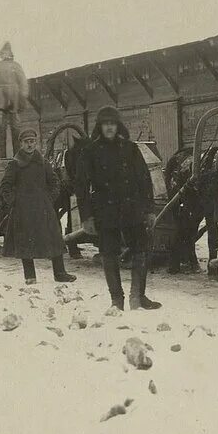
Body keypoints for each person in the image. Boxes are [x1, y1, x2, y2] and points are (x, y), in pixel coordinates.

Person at [74, 105, 160, 311]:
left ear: (118, 125)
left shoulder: (130, 148)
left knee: (141, 250)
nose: (110, 128)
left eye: (113, 123)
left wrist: (149, 209)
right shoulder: (90, 151)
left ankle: (138, 297)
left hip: (132, 208)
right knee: (108, 253)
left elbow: (144, 180)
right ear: (100, 127)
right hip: (105, 210)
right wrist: (86, 217)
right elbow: (82, 186)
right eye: (106, 124)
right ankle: (117, 301)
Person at [0, 129, 77, 285]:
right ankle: (30, 276)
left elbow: (55, 183)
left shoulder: (43, 163)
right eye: (26, 142)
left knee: (54, 238)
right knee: (25, 242)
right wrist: (15, 201)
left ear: (36, 143)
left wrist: (48, 199)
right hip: (23, 210)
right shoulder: (14, 164)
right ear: (21, 144)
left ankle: (60, 273)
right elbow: (5, 186)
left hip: (43, 208)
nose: (29, 145)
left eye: (32, 141)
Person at [0, 42, 29, 158]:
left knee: (16, 127)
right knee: (1, 126)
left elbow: (23, 82)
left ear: (10, 53)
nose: (6, 55)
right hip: (0, 98)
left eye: (8, 52)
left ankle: (18, 153)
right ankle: (1, 153)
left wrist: (23, 98)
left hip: (13, 98)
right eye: (4, 53)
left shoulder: (16, 66)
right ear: (2, 54)